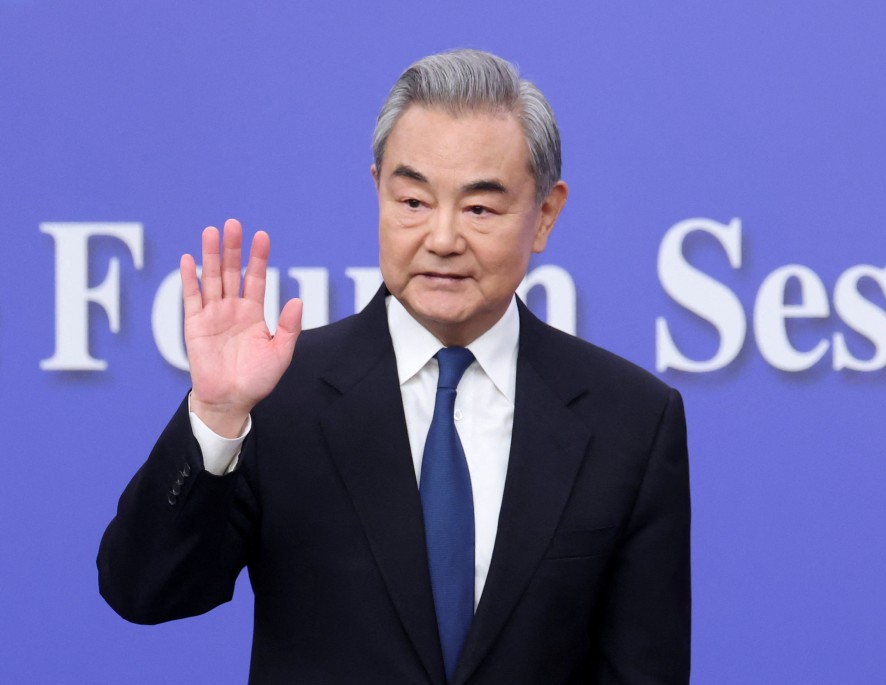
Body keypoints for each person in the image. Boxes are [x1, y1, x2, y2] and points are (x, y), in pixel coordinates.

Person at [98, 49, 690, 684]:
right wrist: (216, 415)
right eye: (412, 201)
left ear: (544, 214)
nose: (441, 238)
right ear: (378, 189)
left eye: (480, 209)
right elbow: (145, 592)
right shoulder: (280, 396)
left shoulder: (631, 420)